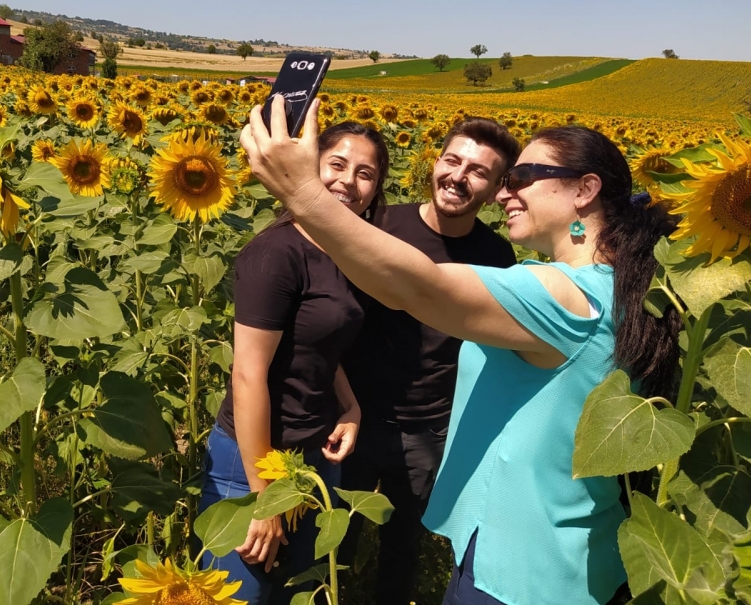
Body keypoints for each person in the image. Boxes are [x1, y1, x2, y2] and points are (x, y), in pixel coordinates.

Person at [241, 98, 680, 605]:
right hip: (567, 550)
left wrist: (304, 192)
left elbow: (422, 289)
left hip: (521, 568)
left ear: (585, 189)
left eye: (521, 177)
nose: (505, 193)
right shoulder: (626, 288)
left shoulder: (563, 293)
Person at [200, 121, 391, 605]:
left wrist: (350, 408)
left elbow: (322, 347)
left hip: (314, 457)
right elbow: (247, 375)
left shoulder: (348, 254)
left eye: (366, 174)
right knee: (238, 593)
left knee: (295, 588)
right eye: (338, 165)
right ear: (309, 166)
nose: (349, 181)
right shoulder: (276, 252)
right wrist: (264, 495)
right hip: (254, 461)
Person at [340, 117, 519, 605]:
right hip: (350, 415)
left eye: (478, 172)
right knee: (334, 535)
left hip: (429, 426)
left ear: (496, 188)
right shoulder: (378, 223)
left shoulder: (497, 257)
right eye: (453, 160)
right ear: (435, 162)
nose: (459, 176)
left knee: (402, 546)